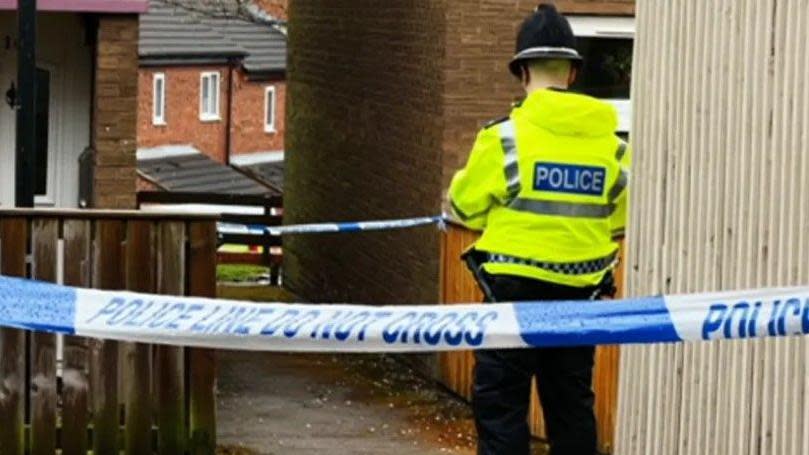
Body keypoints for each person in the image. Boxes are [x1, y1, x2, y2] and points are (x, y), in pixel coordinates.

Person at [447, 4, 630, 455]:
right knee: (571, 407)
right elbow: (620, 221)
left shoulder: (504, 138)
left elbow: (464, 207)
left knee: (502, 404)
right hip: (580, 297)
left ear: (523, 71)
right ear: (571, 73)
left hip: (512, 296)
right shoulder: (614, 148)